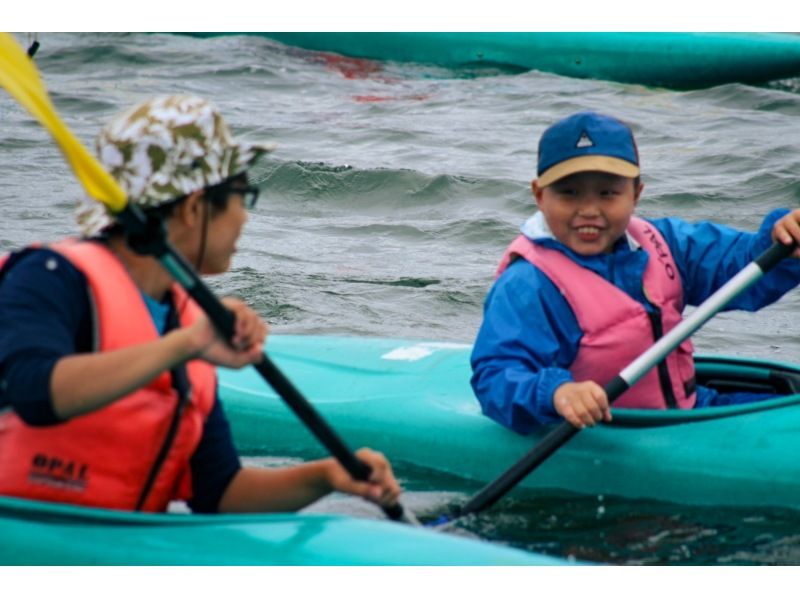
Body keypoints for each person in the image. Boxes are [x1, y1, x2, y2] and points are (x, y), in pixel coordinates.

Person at [0, 95, 401, 514]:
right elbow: (35, 391)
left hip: (115, 543)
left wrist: (325, 478)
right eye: (242, 196)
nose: (245, 217)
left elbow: (220, 491)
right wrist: (183, 345)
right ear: (194, 208)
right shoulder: (48, 276)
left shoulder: (184, 317)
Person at [470, 111, 800, 434]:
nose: (588, 210)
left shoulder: (666, 243)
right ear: (540, 195)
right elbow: (497, 374)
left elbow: (738, 264)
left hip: (692, 410)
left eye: (607, 193)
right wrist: (557, 394)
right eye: (569, 193)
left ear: (636, 194)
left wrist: (779, 242)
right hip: (607, 432)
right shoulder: (529, 283)